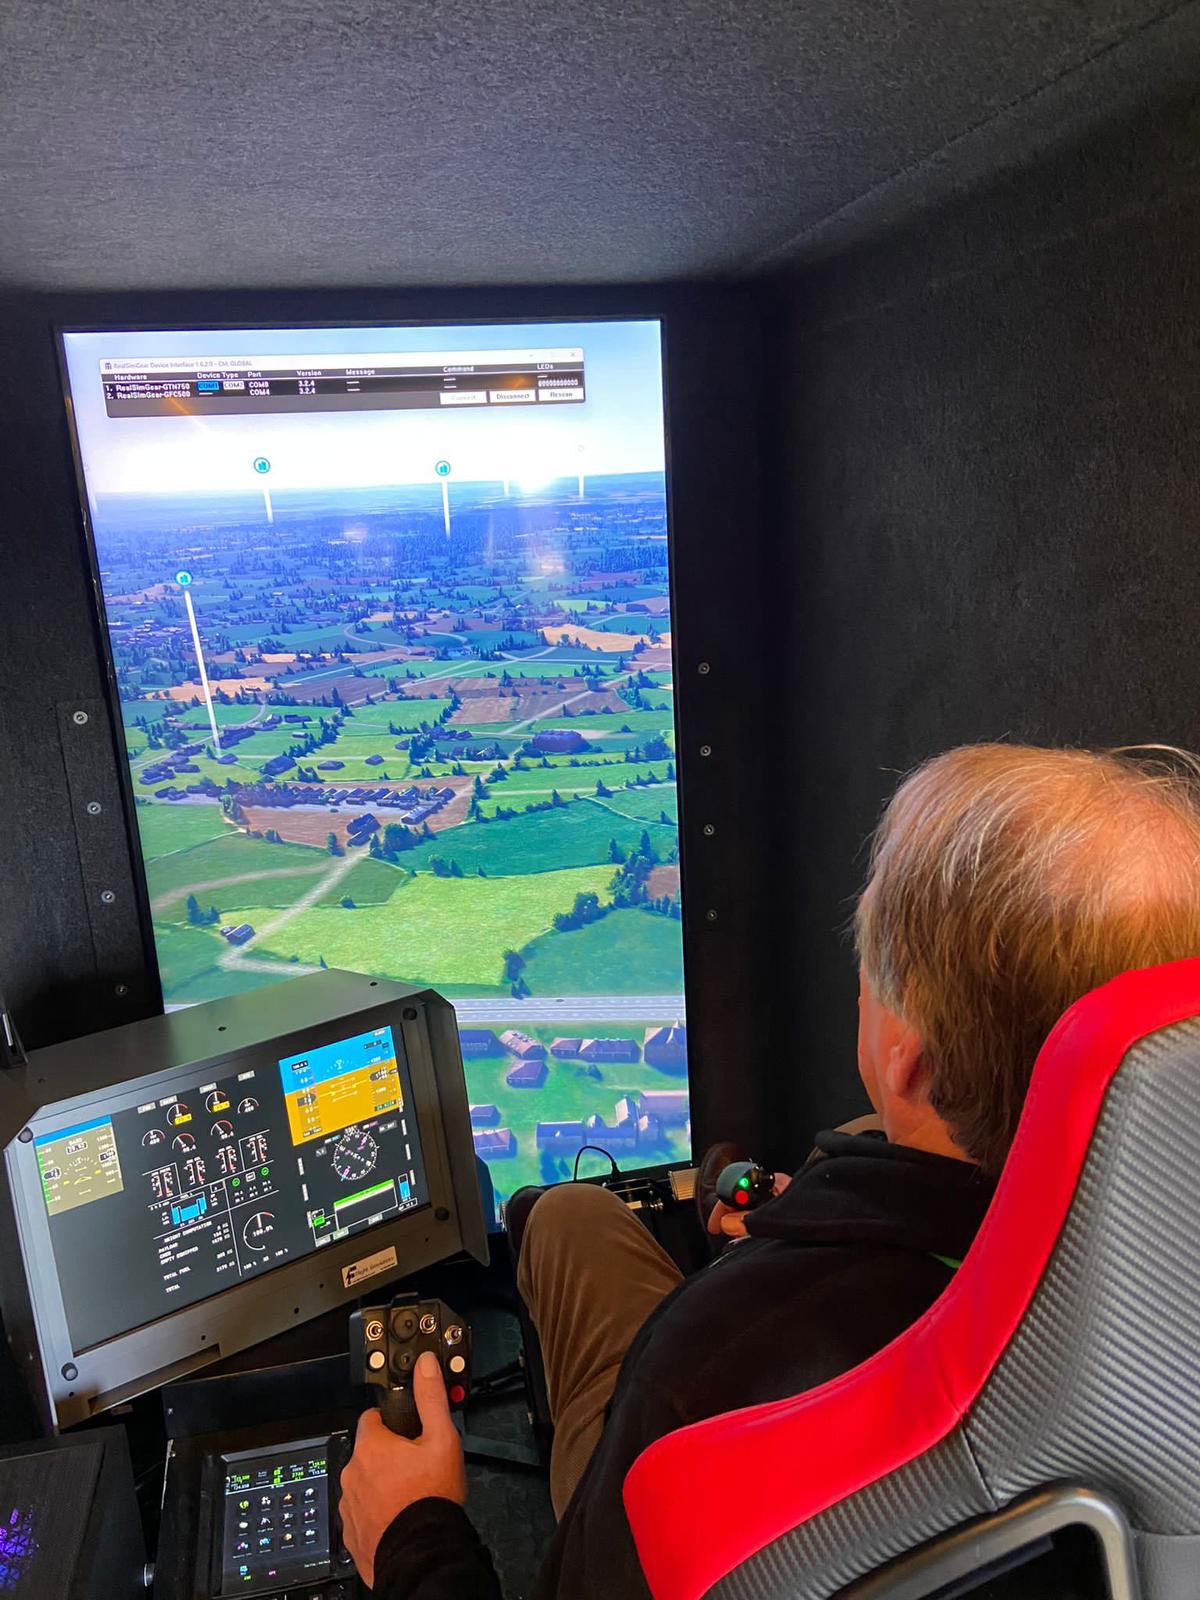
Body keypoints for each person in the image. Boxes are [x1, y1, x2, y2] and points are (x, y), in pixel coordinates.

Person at [339, 743, 1200, 1599]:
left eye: (873, 971)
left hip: (700, 1503)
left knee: (560, 1216)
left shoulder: (706, 1361)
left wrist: (416, 1536)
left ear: (910, 1060)